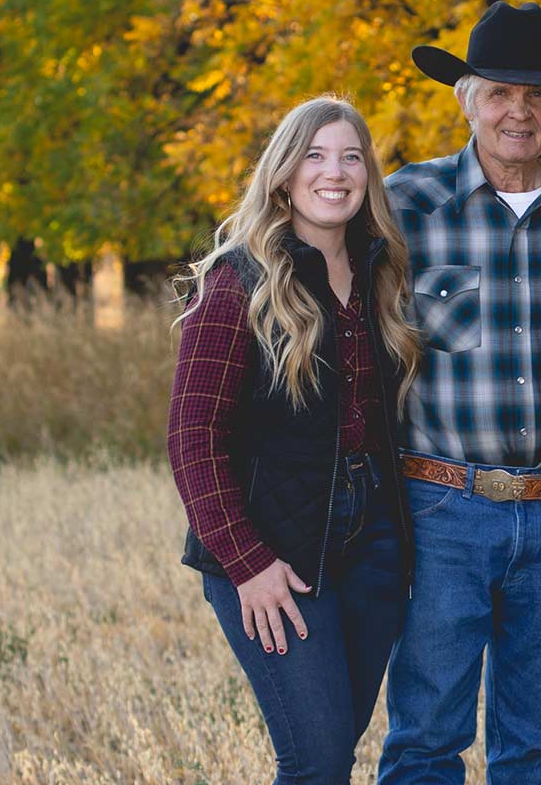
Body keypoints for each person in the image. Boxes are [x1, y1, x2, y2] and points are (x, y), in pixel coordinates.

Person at [378, 0, 541, 785]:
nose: (518, 111)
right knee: (425, 741)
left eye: (537, 94)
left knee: (540, 748)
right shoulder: (404, 204)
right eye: (498, 92)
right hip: (442, 509)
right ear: (467, 100)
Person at [167, 95, 425, 783]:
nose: (333, 173)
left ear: (368, 175)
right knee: (314, 759)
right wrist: (247, 563)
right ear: (283, 174)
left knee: (337, 747)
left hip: (373, 544)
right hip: (273, 548)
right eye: (314, 155)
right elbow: (193, 442)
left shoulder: (381, 272)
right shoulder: (237, 278)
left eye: (350, 157)